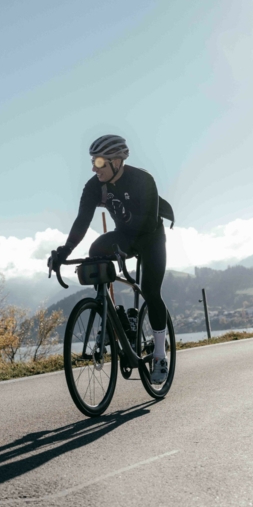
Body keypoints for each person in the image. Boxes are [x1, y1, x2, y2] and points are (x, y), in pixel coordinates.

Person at [49, 134, 174, 384]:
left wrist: (122, 251)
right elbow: (82, 221)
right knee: (96, 250)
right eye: (92, 162)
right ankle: (112, 315)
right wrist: (64, 251)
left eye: (99, 162)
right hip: (124, 235)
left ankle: (160, 355)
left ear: (117, 162)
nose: (94, 168)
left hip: (151, 237)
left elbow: (148, 224)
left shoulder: (143, 180)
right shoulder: (94, 186)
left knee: (150, 290)